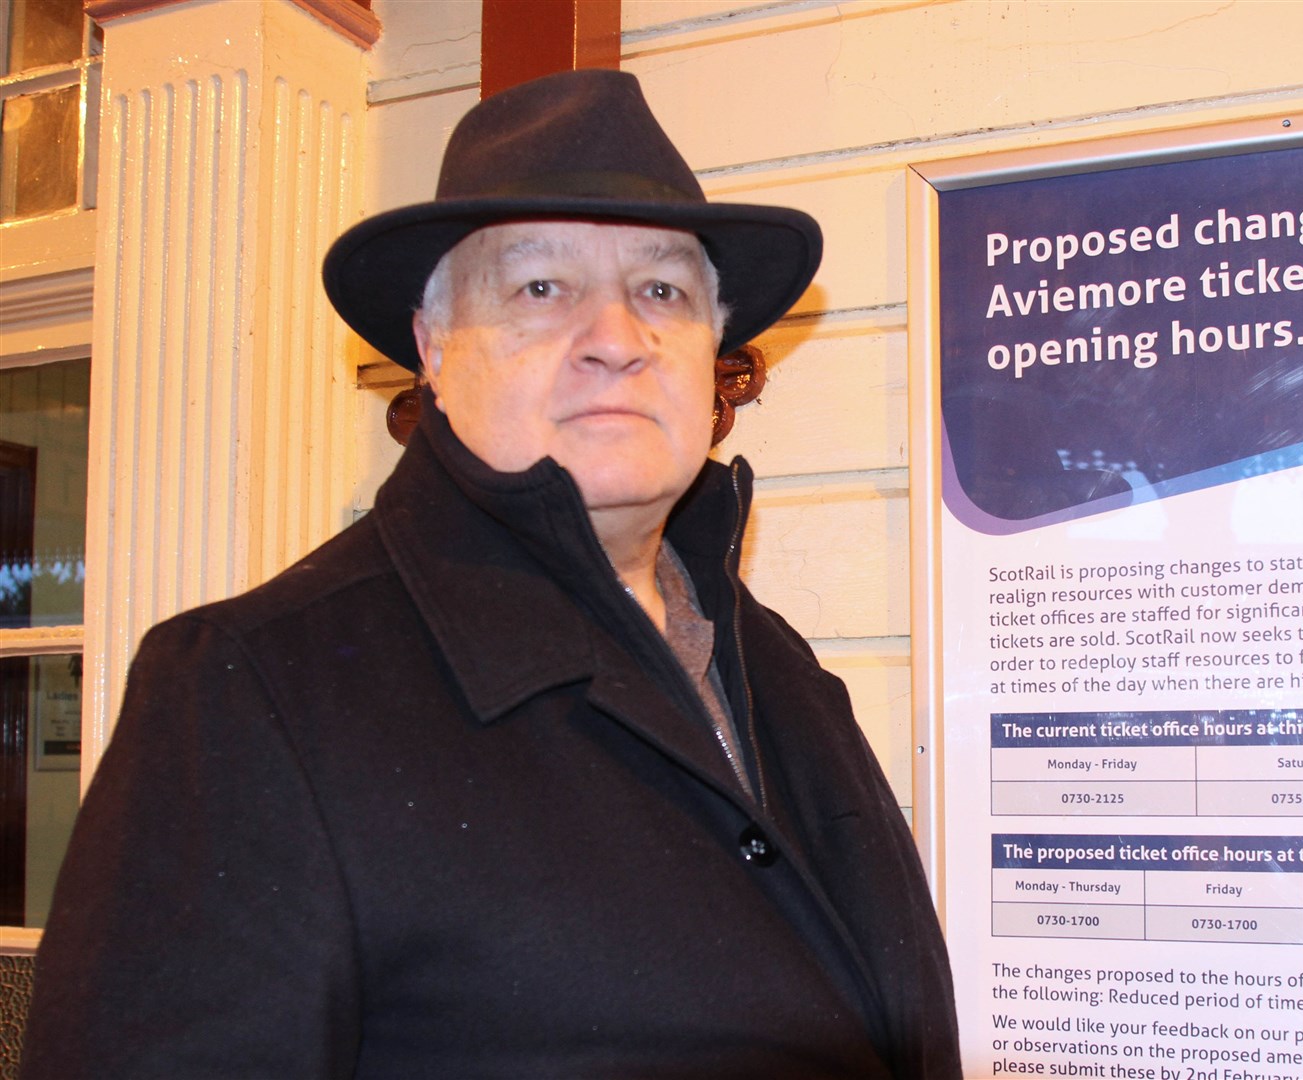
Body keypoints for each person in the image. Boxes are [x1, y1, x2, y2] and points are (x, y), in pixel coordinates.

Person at [22, 69, 960, 1079]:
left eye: (662, 291)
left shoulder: (775, 667)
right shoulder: (256, 693)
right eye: (540, 288)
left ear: (711, 348)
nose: (616, 340)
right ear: (433, 345)